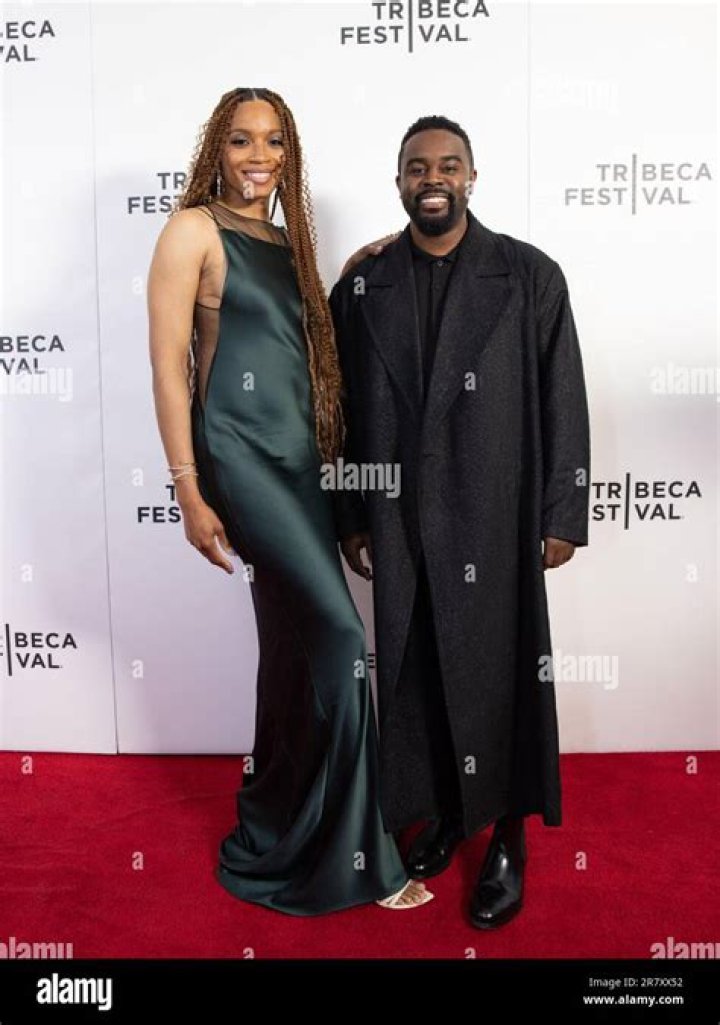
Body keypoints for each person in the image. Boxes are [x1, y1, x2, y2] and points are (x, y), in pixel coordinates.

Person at [146, 87, 434, 914]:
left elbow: (294, 342)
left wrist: (349, 275)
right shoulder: (192, 230)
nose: (258, 157)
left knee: (289, 651)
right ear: (217, 147)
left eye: (273, 141)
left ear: (290, 153)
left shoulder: (284, 241)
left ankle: (279, 823)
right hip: (240, 461)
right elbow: (168, 368)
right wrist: (188, 487)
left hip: (303, 464)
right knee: (342, 636)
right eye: (241, 140)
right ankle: (361, 857)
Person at [328, 115, 590, 928]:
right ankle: (442, 812)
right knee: (416, 673)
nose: (432, 177)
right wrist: (350, 509)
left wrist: (562, 511)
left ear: (472, 177)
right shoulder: (365, 286)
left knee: (498, 672)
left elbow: (563, 396)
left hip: (495, 511)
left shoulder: (528, 275)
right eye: (417, 167)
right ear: (399, 182)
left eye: (448, 164)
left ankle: (506, 834)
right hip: (398, 513)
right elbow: (340, 407)